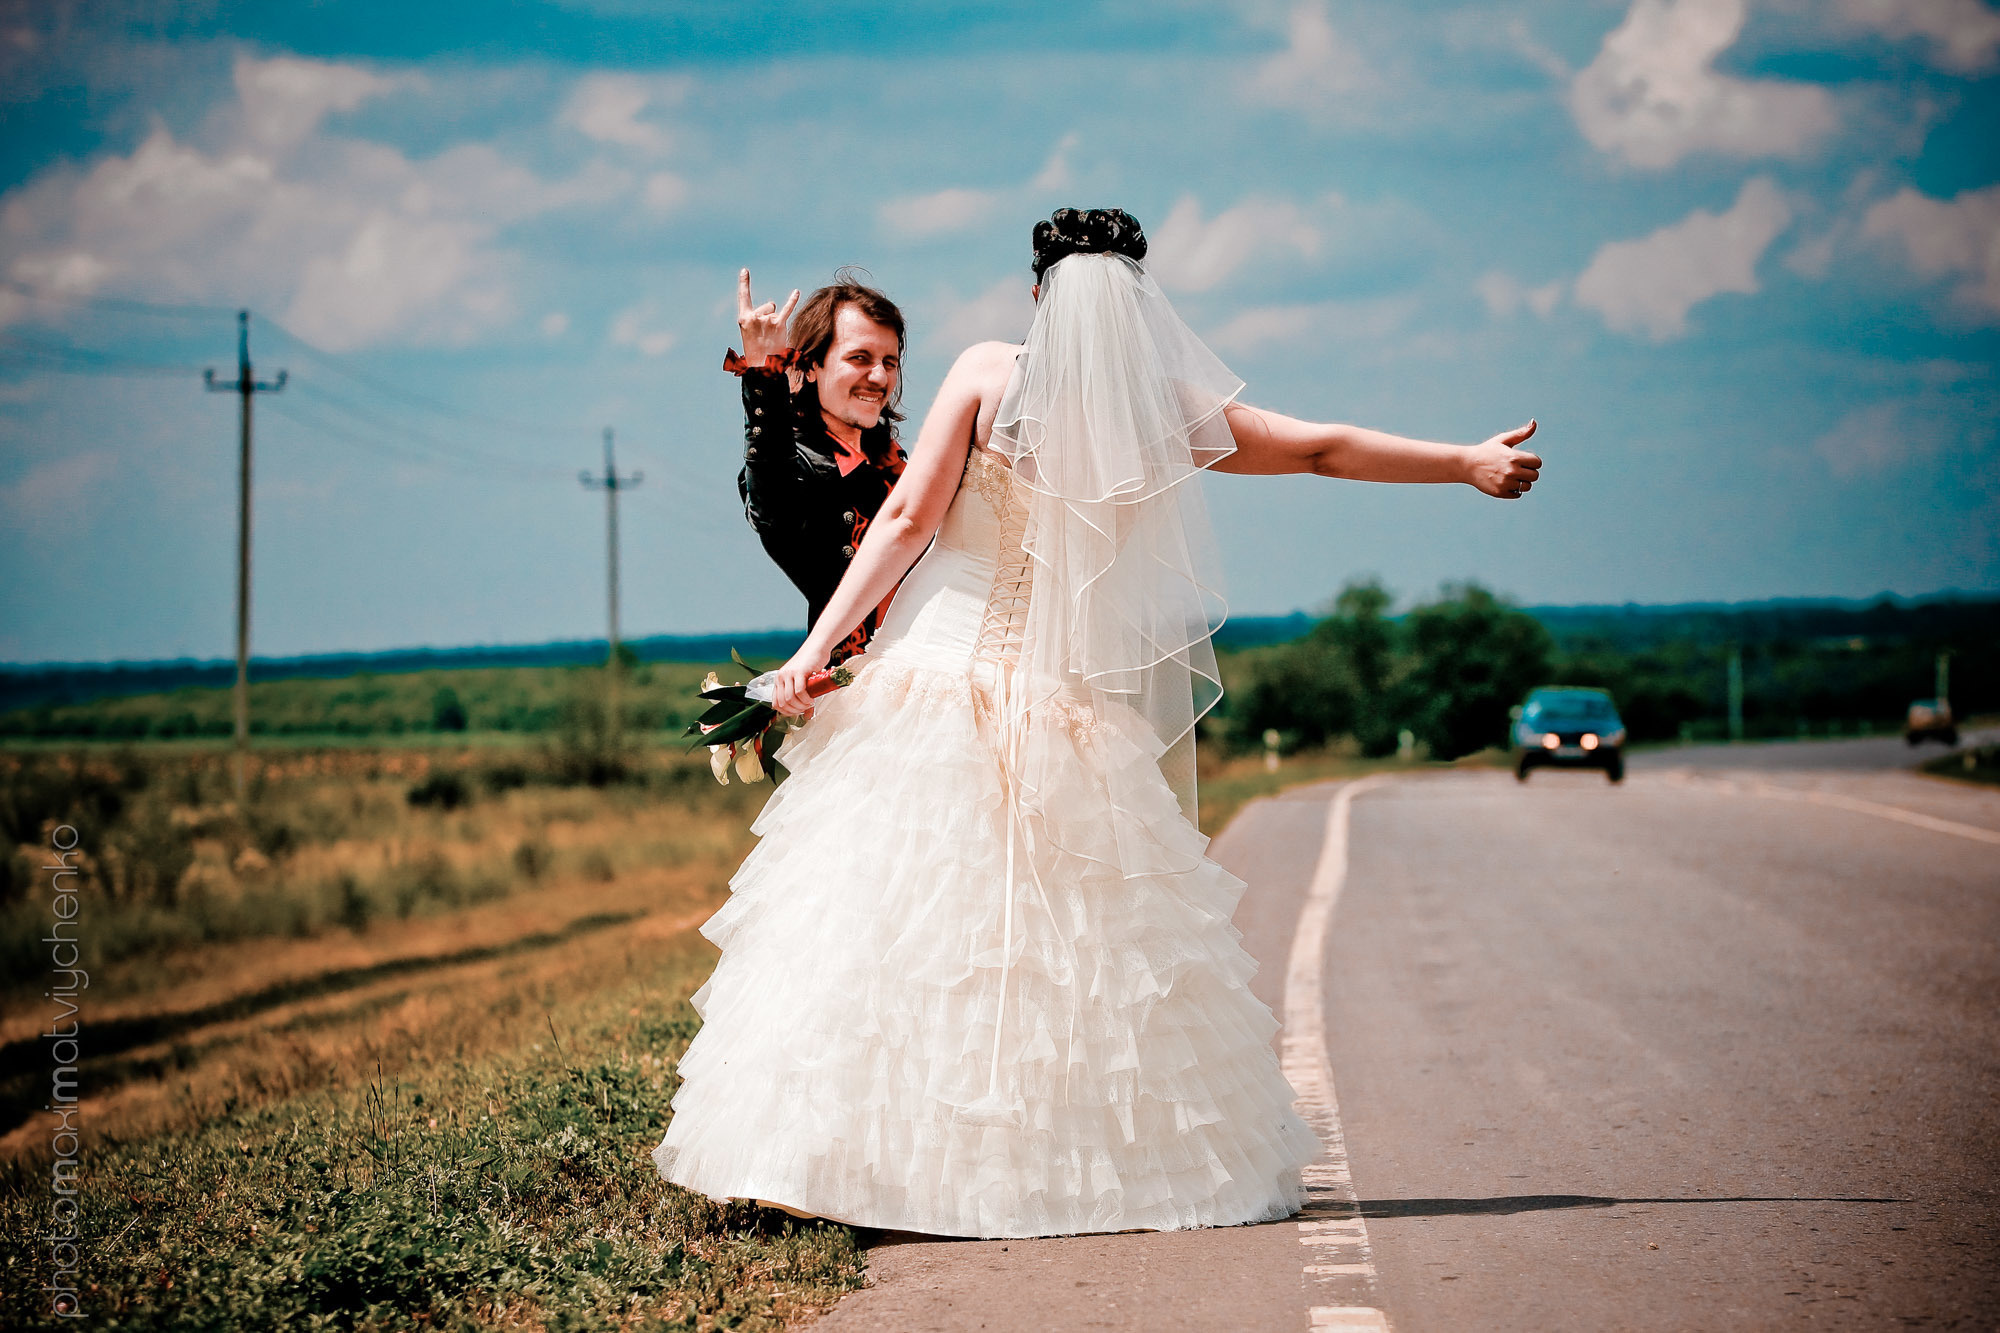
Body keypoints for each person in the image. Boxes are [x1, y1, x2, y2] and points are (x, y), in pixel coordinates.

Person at [654, 208, 1542, 1238]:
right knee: (1060, 943)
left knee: (878, 922)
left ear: (1039, 294)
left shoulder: (989, 371)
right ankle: (1034, 1163)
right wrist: (1461, 460)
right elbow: (1323, 449)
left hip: (936, 673)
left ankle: (829, 1156)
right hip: (1062, 705)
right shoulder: (1159, 409)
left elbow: (903, 524)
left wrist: (807, 662)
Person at [730, 270, 911, 666]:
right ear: (811, 367)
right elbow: (773, 501)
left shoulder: (900, 466)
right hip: (855, 693)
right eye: (859, 359)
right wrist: (764, 375)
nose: (879, 376)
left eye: (889, 362)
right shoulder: (799, 469)